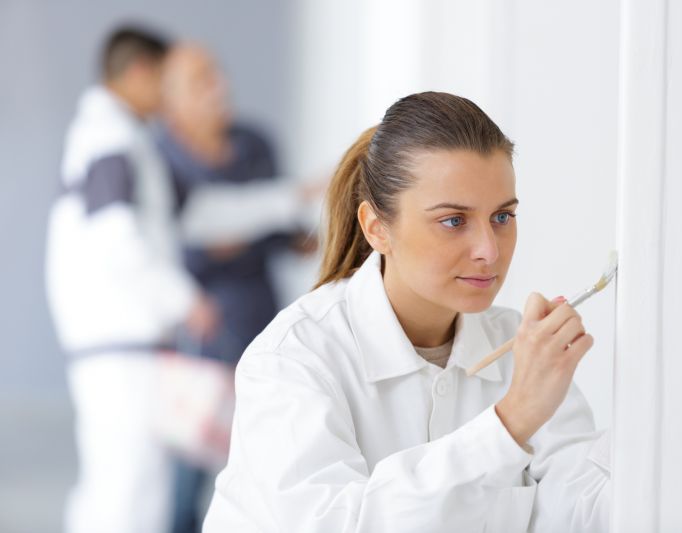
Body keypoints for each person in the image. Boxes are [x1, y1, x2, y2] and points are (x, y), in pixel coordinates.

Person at [202, 92, 610, 532]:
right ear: (377, 228)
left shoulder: (520, 348)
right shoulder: (292, 359)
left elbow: (581, 509)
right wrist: (509, 423)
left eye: (502, 217)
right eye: (454, 220)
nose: (489, 251)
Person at [45, 26, 218, 533]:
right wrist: (184, 299)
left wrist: (288, 200)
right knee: (129, 495)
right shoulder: (110, 136)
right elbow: (115, 235)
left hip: (124, 344)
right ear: (140, 73)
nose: (170, 95)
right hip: (121, 343)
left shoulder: (125, 138)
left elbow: (197, 214)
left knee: (118, 489)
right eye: (167, 80)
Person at [156, 43, 315, 533]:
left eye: (217, 74)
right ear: (169, 99)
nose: (219, 88)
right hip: (198, 336)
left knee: (268, 465)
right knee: (186, 481)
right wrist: (264, 215)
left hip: (259, 323)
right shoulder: (158, 156)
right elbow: (191, 242)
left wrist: (271, 224)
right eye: (201, 81)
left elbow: (288, 231)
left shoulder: (254, 143)